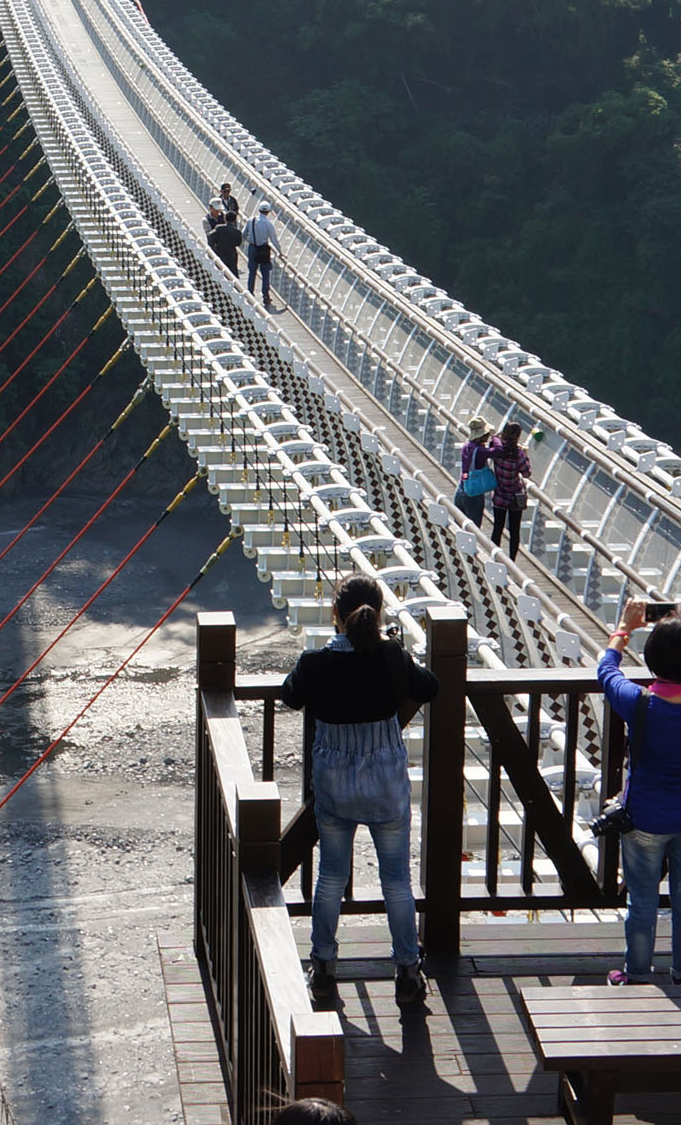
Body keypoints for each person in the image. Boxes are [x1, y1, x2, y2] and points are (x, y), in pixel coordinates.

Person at [279, 573, 435, 1011]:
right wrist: (394, 648)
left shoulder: (316, 663)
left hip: (334, 785)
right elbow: (431, 688)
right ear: (379, 613)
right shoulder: (389, 655)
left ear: (335, 615)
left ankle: (324, 965)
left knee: (330, 877)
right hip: (384, 784)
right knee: (396, 883)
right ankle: (407, 968)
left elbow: (289, 696)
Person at [597, 602, 681, 985]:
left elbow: (606, 672)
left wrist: (624, 628)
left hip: (646, 817)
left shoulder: (639, 701)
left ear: (652, 659)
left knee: (642, 901)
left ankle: (636, 972)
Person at [487, 422, 532, 558]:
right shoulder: (518, 453)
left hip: (500, 495)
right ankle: (512, 560)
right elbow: (526, 473)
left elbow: (493, 439)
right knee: (514, 530)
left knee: (497, 528)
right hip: (515, 496)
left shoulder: (497, 450)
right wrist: (525, 453)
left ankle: (494, 557)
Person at [452, 417, 495, 524]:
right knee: (474, 529)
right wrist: (496, 439)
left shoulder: (467, 446)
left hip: (461, 489)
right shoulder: (480, 451)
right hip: (473, 494)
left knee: (459, 528)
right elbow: (498, 451)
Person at [244, 200, 279, 305]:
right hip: (264, 250)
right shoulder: (269, 224)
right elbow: (274, 240)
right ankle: (265, 295)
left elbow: (244, 234)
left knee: (252, 272)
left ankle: (250, 292)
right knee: (265, 273)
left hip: (252, 248)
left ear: (259, 210)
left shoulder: (251, 220)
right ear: (268, 212)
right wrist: (280, 252)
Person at [204, 187, 243, 275]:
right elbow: (238, 243)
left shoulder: (218, 228)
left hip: (220, 253)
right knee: (232, 274)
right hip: (232, 255)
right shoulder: (237, 232)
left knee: (220, 273)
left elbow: (210, 237)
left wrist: (215, 248)